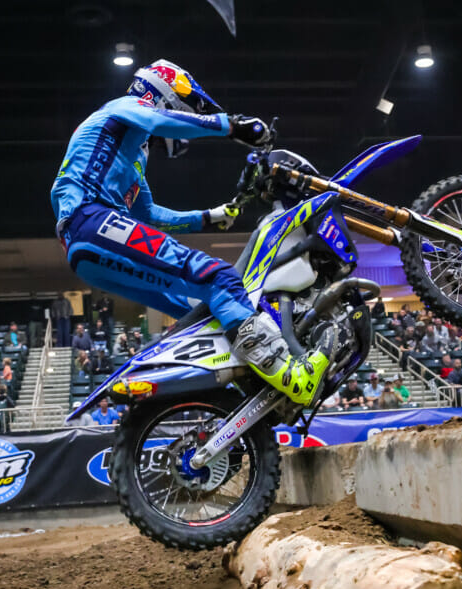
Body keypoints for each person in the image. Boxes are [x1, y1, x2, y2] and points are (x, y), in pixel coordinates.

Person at [51, 59, 333, 407]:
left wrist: (208, 218)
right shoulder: (122, 107)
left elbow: (150, 215)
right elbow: (157, 120)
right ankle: (289, 374)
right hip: (91, 221)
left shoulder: (132, 157)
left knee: (200, 308)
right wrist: (232, 125)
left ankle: (239, 386)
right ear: (166, 93)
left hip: (88, 248)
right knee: (219, 278)